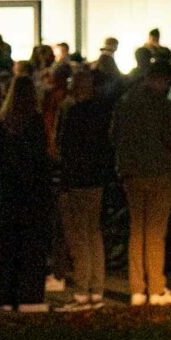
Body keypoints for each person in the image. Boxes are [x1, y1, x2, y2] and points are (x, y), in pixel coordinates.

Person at [0, 77, 58, 314]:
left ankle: (6, 296)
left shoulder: (1, 122)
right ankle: (30, 296)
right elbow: (40, 160)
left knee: (8, 247)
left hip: (7, 192)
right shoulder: (34, 122)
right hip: (31, 193)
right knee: (31, 246)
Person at [111, 59, 171, 305]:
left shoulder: (125, 103)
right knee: (155, 232)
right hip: (159, 173)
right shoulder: (164, 106)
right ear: (161, 79)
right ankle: (156, 287)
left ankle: (137, 288)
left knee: (137, 231)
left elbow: (115, 136)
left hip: (132, 173)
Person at [53, 68, 114, 308]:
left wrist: (65, 182)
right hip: (96, 180)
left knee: (79, 237)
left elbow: (68, 150)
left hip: (78, 180)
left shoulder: (75, 114)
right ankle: (96, 290)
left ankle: (81, 292)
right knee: (94, 234)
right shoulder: (102, 112)